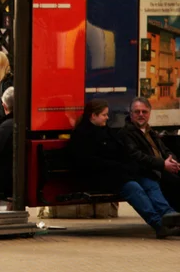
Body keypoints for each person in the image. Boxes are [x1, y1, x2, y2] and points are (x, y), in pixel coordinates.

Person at [69, 99, 180, 239]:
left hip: (119, 173)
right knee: (134, 188)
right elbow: (88, 162)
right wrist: (120, 166)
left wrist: (127, 165)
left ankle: (170, 216)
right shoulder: (81, 135)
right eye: (104, 115)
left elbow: (121, 152)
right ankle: (158, 223)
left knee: (148, 181)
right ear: (93, 116)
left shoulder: (106, 131)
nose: (107, 118)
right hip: (100, 176)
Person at [119, 97, 180, 211]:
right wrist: (163, 164)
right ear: (131, 114)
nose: (141, 114)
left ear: (149, 114)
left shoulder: (150, 131)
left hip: (160, 170)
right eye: (137, 112)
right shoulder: (126, 133)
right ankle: (171, 221)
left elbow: (165, 150)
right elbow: (137, 156)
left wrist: (173, 161)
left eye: (144, 112)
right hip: (146, 173)